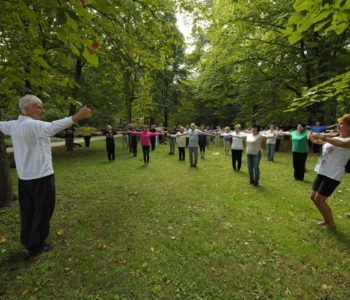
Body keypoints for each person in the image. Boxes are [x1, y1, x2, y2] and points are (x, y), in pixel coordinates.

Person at [0, 95, 91, 258]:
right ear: (26, 109)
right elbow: (51, 127)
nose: (42, 110)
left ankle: (27, 240)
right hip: (41, 176)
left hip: (25, 179)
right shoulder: (33, 125)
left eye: (42, 106)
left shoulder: (13, 125)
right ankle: (36, 245)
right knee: (43, 210)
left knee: (28, 211)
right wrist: (74, 117)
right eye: (38, 106)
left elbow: (1, 125)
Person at [309, 114, 350, 229]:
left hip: (333, 174)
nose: (339, 125)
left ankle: (331, 223)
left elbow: (341, 144)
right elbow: (325, 143)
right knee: (313, 196)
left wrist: (323, 137)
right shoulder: (336, 137)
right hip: (323, 170)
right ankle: (326, 220)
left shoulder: (347, 140)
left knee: (319, 199)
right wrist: (314, 139)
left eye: (342, 124)